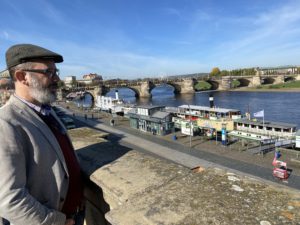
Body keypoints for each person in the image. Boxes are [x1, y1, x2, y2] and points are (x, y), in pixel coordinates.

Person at [0, 44, 84, 225]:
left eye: (56, 71)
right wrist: (57, 222)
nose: (57, 79)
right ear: (22, 77)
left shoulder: (46, 110)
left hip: (76, 214)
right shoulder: (5, 123)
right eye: (49, 72)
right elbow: (9, 198)